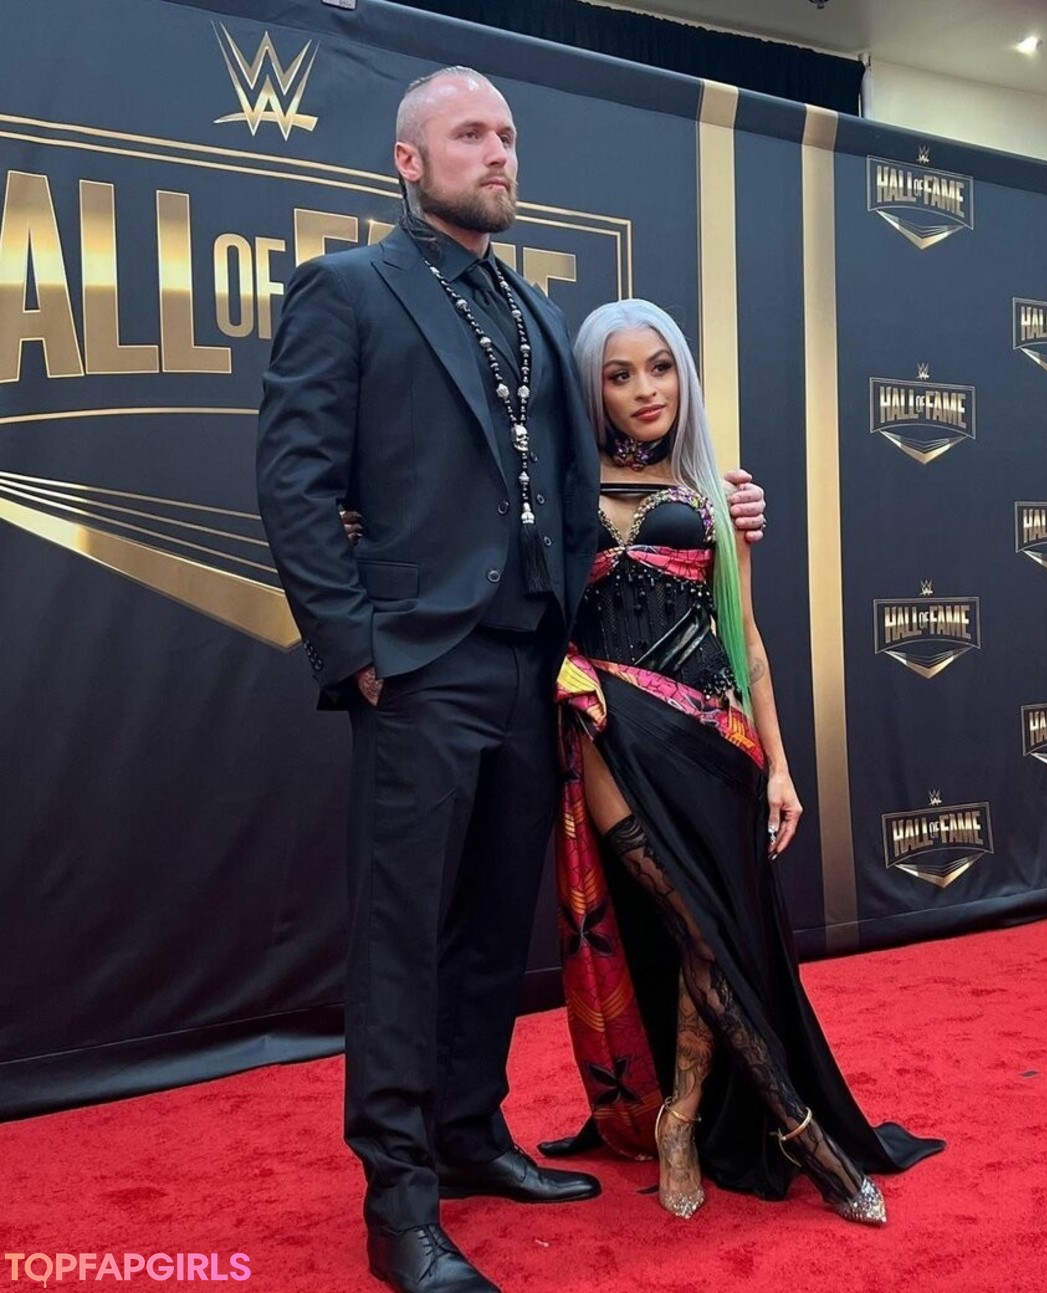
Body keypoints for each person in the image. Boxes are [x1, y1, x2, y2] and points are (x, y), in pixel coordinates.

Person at [258, 68, 764, 1293]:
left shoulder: (536, 309)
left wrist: (713, 505)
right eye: (470, 134)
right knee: (401, 937)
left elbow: (591, 487)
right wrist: (356, 647)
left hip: (537, 665)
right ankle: (398, 1203)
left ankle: (470, 1133)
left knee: (494, 926)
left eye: (508, 135)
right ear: (407, 160)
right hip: (418, 667)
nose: (499, 153)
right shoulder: (349, 289)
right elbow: (292, 479)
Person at [540, 299, 944, 1226]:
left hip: (714, 738)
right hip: (608, 731)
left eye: (660, 367)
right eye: (619, 374)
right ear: (592, 389)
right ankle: (806, 1136)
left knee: (709, 936)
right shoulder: (561, 492)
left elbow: (746, 637)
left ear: (683, 374)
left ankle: (684, 1117)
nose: (645, 389)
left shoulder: (715, 494)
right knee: (689, 922)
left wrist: (781, 767)